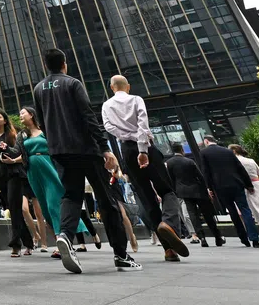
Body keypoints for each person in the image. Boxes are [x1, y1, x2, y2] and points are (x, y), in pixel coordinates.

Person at [34, 48, 140, 273]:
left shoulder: (38, 89)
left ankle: (65, 235)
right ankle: (121, 254)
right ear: (64, 63)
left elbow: (42, 122)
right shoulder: (73, 83)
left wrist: (55, 144)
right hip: (86, 149)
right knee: (106, 200)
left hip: (59, 152)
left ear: (46, 65)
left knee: (71, 195)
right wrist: (105, 148)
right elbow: (88, 116)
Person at [100, 76, 189, 263]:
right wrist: (142, 148)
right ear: (128, 86)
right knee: (167, 190)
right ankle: (169, 224)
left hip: (127, 151)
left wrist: (128, 136)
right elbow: (143, 123)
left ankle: (168, 250)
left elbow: (109, 127)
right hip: (146, 147)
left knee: (147, 198)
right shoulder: (136, 99)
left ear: (112, 88)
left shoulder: (107, 105)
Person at [18, 105, 90, 259]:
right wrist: (12, 159)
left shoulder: (45, 131)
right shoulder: (22, 135)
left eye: (23, 113)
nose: (20, 116)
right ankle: (63, 240)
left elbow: (56, 148)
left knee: (53, 204)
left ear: (31, 115)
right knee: (45, 208)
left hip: (49, 168)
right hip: (33, 173)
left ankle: (62, 242)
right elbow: (21, 154)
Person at [0, 108, 34, 257]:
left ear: (4, 120)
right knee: (13, 209)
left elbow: (21, 154)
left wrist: (13, 160)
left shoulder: (12, 134)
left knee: (14, 207)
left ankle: (15, 245)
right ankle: (29, 242)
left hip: (13, 174)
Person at [200, 135, 259, 247]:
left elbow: (206, 171)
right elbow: (240, 168)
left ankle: (243, 238)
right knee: (245, 210)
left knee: (232, 212)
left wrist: (209, 188)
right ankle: (254, 239)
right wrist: (248, 184)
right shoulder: (228, 151)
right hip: (236, 183)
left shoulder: (204, 153)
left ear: (206, 141)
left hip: (220, 186)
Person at [165, 143, 224, 248]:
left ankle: (202, 237)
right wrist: (206, 190)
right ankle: (217, 236)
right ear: (182, 150)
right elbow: (200, 177)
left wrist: (176, 191)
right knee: (207, 213)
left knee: (192, 214)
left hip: (183, 192)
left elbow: (171, 179)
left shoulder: (169, 163)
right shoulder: (189, 161)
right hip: (197, 190)